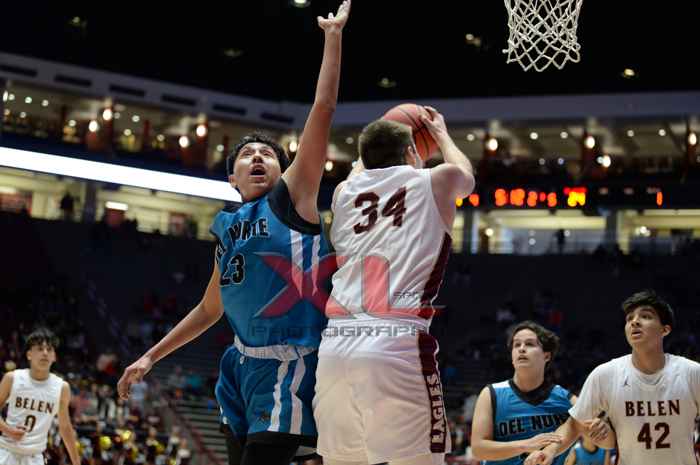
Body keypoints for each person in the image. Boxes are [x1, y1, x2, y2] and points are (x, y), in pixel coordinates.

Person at [117, 3, 351, 465]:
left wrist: (333, 38)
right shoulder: (226, 227)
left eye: (268, 154)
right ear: (232, 178)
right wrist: (151, 357)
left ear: (284, 169)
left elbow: (323, 109)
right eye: (248, 155)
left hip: (289, 363)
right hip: (238, 365)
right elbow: (210, 309)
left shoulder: (292, 198)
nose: (258, 157)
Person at [313, 107, 475, 465]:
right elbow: (466, 177)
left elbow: (364, 167)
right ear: (412, 152)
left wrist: (379, 138)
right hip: (394, 342)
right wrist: (441, 133)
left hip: (335, 348)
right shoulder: (436, 180)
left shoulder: (342, 193)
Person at [525, 290, 700, 465]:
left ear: (665, 329)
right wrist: (548, 451)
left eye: (646, 316)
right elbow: (573, 425)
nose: (634, 322)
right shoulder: (606, 375)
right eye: (629, 318)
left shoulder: (691, 373)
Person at [471, 321, 613, 465]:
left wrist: (602, 429)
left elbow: (608, 443)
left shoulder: (565, 398)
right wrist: (526, 445)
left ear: (546, 356)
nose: (521, 349)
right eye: (516, 345)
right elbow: (478, 449)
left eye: (529, 344)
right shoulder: (491, 394)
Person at [0, 328, 80, 465]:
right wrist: (9, 430)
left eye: (49, 349)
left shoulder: (62, 388)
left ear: (54, 356)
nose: (45, 353)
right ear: (29, 354)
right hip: (6, 452)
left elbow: (65, 427)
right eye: (40, 348)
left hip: (34, 457)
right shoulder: (12, 378)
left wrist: (77, 462)